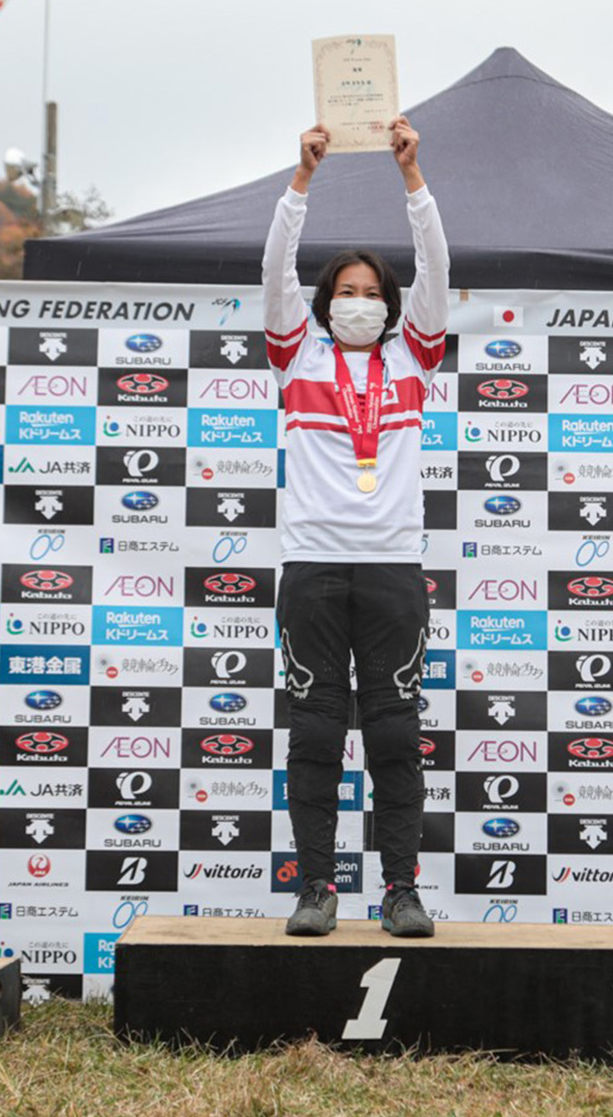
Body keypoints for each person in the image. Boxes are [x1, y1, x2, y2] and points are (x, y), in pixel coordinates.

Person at [263, 117, 448, 939]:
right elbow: (273, 268)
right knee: (313, 735)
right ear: (324, 301)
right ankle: (315, 888)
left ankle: (400, 889)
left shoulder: (414, 357)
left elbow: (439, 266)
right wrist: (301, 184)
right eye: (348, 291)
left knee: (395, 737)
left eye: (374, 293)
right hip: (311, 566)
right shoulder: (296, 353)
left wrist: (414, 181)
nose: (361, 303)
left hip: (391, 570)